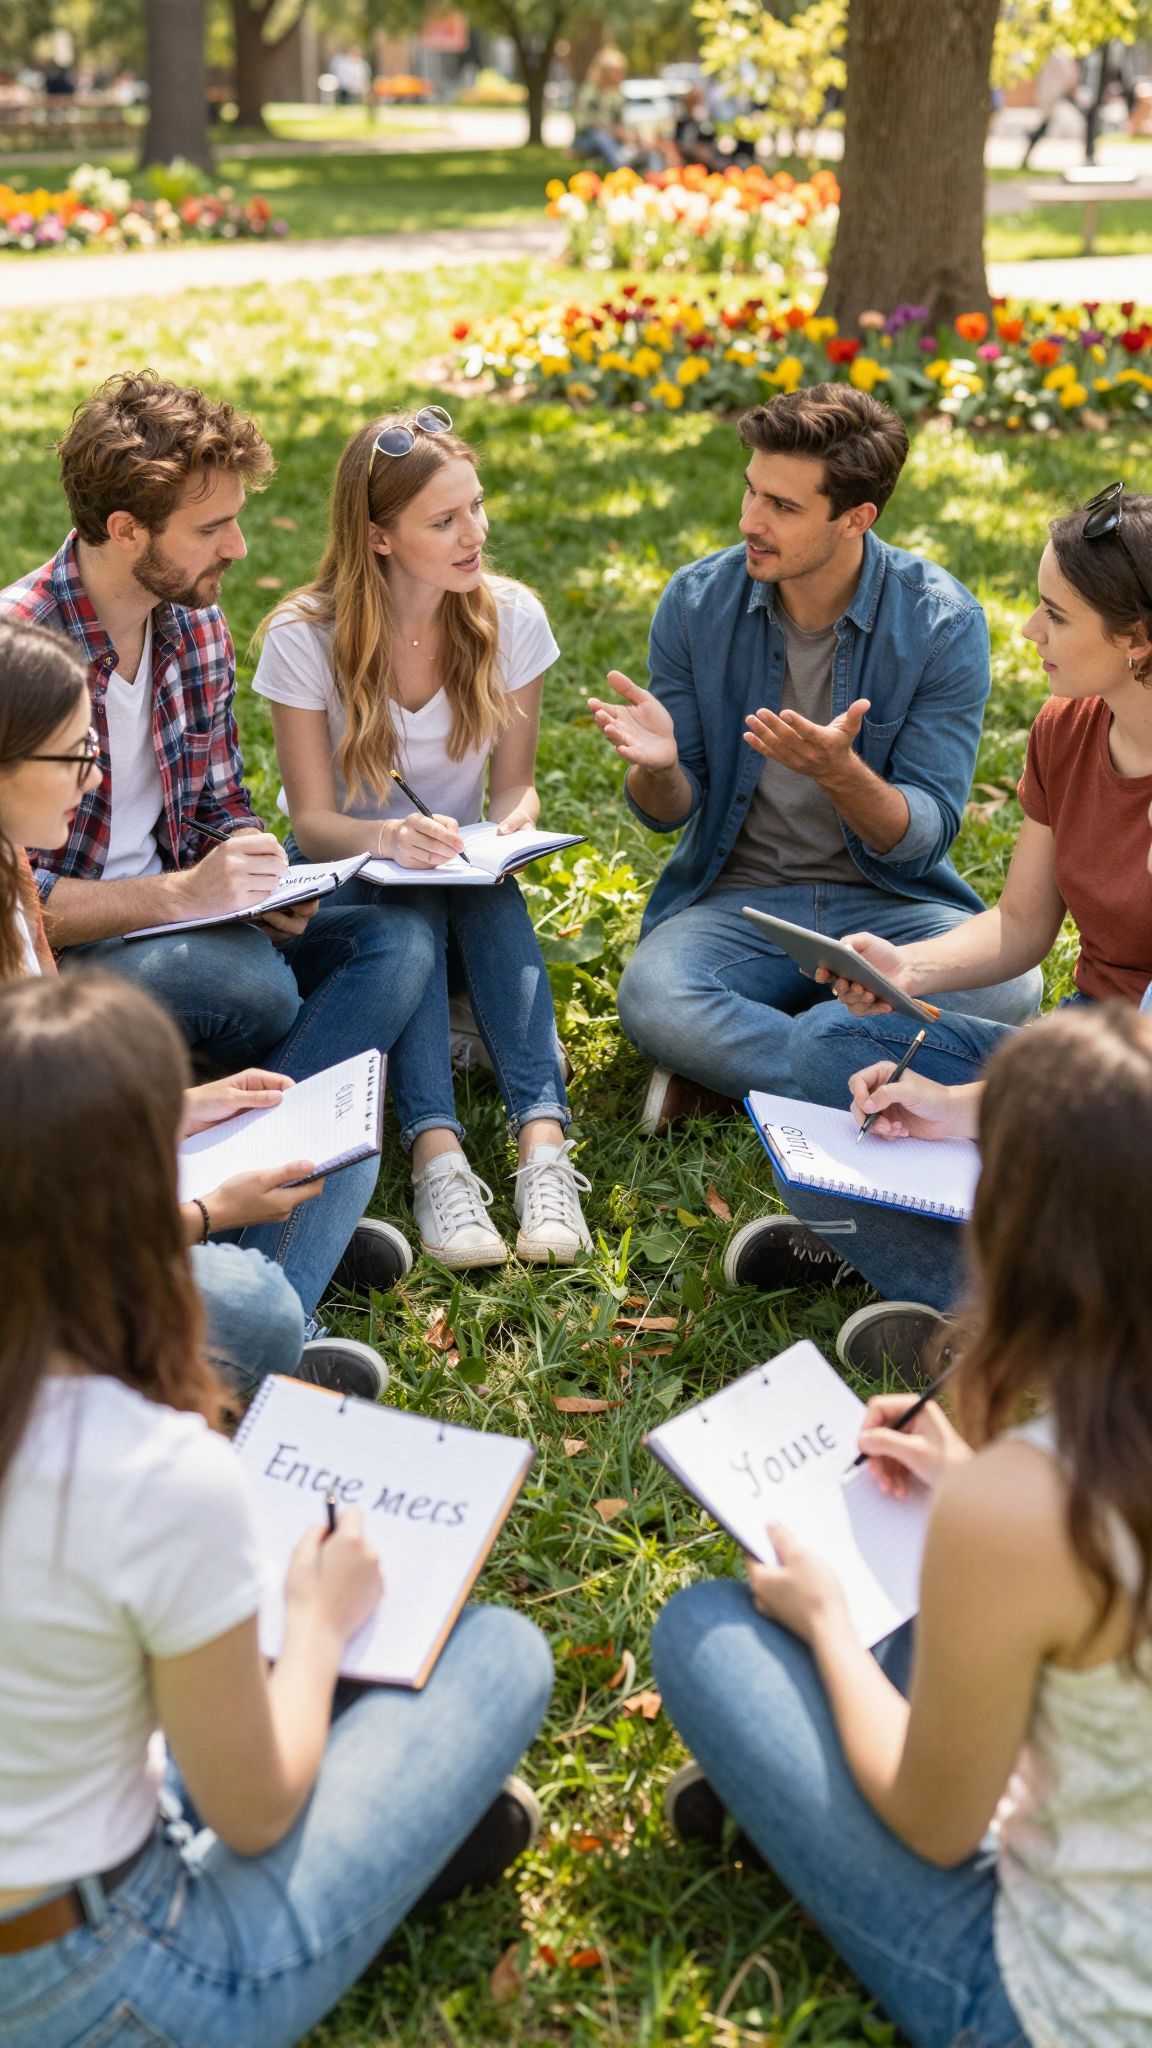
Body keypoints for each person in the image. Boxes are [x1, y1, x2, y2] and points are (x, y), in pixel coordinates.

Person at [0, 971, 554, 2047]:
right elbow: (253, 1811)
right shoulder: (149, 1466)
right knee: (500, 1656)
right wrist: (319, 1621)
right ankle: (393, 1841)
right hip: (105, 1974)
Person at [653, 1002, 1152, 2048]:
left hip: (1063, 2006)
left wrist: (829, 1625)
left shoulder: (1028, 1503)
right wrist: (968, 1479)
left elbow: (937, 1827)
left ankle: (787, 1802)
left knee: (704, 1632)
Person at [0, 375, 431, 1317]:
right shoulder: (19, 655)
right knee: (245, 984)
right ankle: (275, 1248)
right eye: (212, 527)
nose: (238, 546)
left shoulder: (195, 625)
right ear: (126, 530)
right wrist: (183, 898)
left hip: (196, 927)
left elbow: (217, 805)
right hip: (75, 976)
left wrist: (257, 872)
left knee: (394, 939)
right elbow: (16, 910)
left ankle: (269, 1180)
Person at [728, 482, 1152, 1377]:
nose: (1029, 632)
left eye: (1055, 616)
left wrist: (968, 1110)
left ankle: (969, 1301)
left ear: (1137, 640)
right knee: (832, 1044)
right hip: (1075, 1053)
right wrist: (907, 969)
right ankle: (986, 1273)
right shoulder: (1067, 730)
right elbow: (1022, 924)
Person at [589, 385, 1041, 1136]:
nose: (749, 521)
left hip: (889, 903)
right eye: (751, 491)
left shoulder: (942, 621)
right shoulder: (696, 602)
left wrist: (839, 772)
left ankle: (732, 1079)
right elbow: (668, 813)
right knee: (654, 993)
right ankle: (890, 1076)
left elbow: (923, 837)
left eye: (782, 506)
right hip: (743, 905)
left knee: (1013, 986)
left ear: (856, 517)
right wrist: (661, 768)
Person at [0, 614, 401, 1402]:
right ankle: (276, 1303)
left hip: (73, 1188)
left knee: (340, 1146)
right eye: (77, 755)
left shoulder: (12, 870)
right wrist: (206, 1212)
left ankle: (261, 1270)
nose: (93, 779)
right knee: (257, 1313)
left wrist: (180, 1110)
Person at [251, 406, 592, 1269]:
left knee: (477, 885)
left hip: (461, 869)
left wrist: (508, 825)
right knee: (411, 904)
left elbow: (513, 786)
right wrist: (388, 839)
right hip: (348, 872)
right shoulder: (304, 636)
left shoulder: (510, 618)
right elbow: (312, 822)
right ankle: (438, 1158)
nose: (474, 533)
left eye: (476, 506)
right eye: (444, 521)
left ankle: (543, 1151)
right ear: (378, 537)